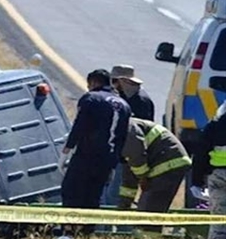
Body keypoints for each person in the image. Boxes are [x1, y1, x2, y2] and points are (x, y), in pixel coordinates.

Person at [60, 69, 131, 212]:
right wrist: (114, 162)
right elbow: (122, 137)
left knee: (71, 191)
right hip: (107, 159)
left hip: (86, 155)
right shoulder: (124, 105)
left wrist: (67, 149)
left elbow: (80, 125)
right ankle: (87, 229)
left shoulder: (91, 98)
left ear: (93, 82)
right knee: (93, 196)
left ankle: (68, 228)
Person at [101, 65, 156, 206]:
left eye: (114, 81)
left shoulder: (140, 101)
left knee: (114, 196)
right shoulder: (125, 97)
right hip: (119, 155)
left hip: (128, 158)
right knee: (110, 194)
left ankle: (110, 227)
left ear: (122, 81)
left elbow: (136, 135)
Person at [117, 117, 191, 212]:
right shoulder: (123, 131)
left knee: (148, 212)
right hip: (163, 163)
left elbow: (136, 156)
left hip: (168, 163)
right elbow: (129, 172)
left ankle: (148, 227)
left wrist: (142, 177)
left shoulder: (127, 128)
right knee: (145, 211)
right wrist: (125, 203)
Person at [190, 102, 226, 239]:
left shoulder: (215, 125)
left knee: (218, 218)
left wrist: (197, 181)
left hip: (217, 175)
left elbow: (201, 153)